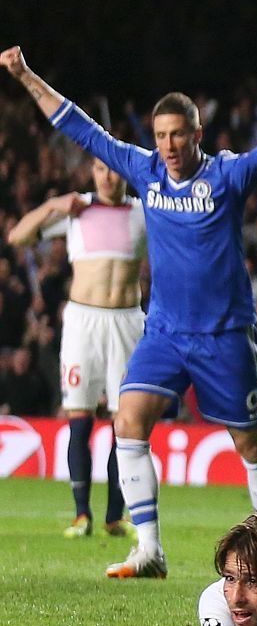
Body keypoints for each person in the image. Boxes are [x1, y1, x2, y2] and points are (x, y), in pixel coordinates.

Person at [1, 45, 257, 579]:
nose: (169, 146)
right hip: (165, 334)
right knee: (127, 422)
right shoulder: (144, 171)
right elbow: (80, 129)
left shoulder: (226, 177)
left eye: (178, 135)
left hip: (224, 335)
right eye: (160, 136)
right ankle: (149, 549)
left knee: (251, 442)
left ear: (197, 135)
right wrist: (25, 76)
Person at [8, 157, 147, 539]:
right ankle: (81, 514)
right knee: (80, 419)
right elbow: (18, 236)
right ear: (92, 173)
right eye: (100, 169)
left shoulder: (143, 211)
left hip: (126, 322)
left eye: (114, 169)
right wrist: (53, 205)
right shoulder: (76, 210)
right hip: (83, 323)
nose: (108, 176)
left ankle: (114, 516)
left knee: (126, 422)